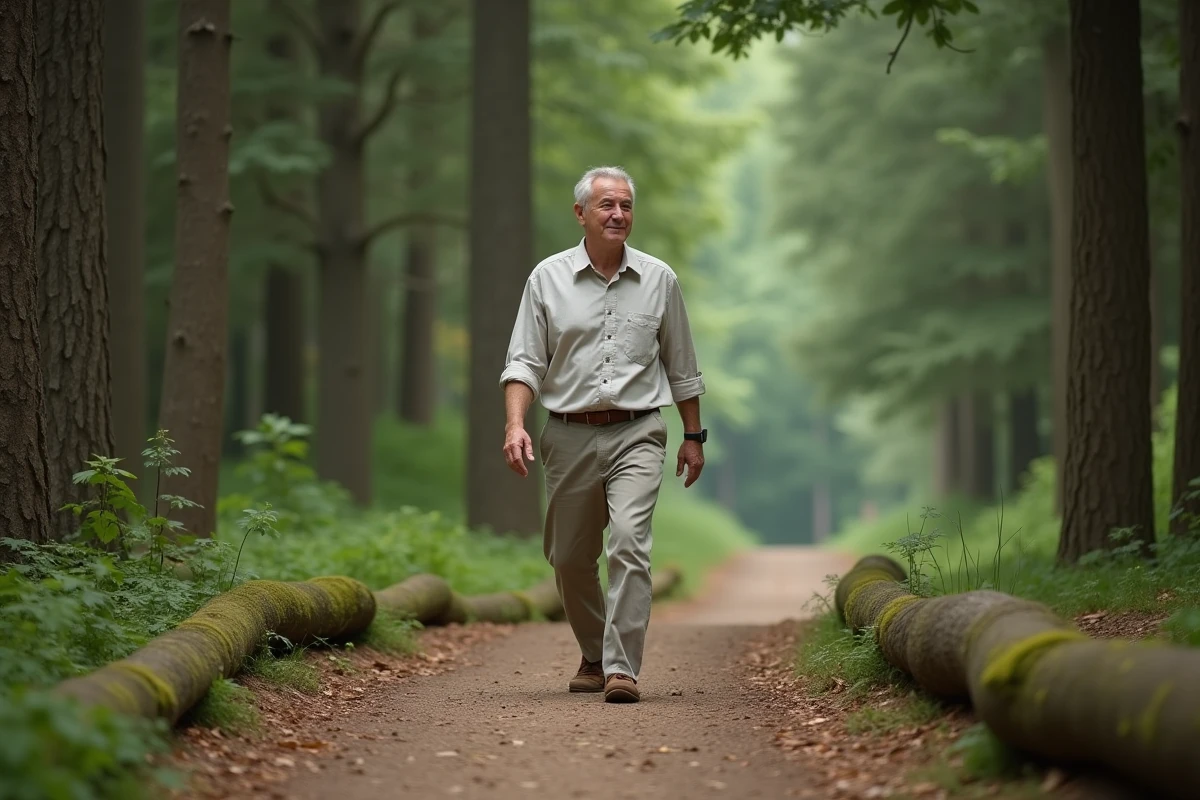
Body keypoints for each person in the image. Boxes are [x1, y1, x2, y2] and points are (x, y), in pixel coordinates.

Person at [498, 165, 708, 704]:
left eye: (626, 206)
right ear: (581, 213)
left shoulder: (660, 279)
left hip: (638, 431)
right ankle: (594, 653)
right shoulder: (546, 278)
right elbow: (523, 361)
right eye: (607, 206)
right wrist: (516, 423)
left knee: (630, 544)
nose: (618, 215)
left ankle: (621, 669)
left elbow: (681, 365)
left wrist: (693, 435)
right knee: (568, 558)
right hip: (567, 434)